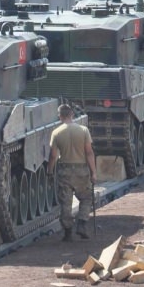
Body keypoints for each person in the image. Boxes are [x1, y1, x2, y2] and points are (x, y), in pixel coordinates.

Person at [47, 104, 97, 242]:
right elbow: (89, 153)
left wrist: (50, 171)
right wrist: (93, 173)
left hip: (64, 171)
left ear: (60, 116)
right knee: (86, 198)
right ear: (72, 115)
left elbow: (53, 156)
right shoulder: (83, 130)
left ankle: (68, 232)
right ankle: (82, 223)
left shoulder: (56, 133)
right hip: (82, 170)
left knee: (65, 203)